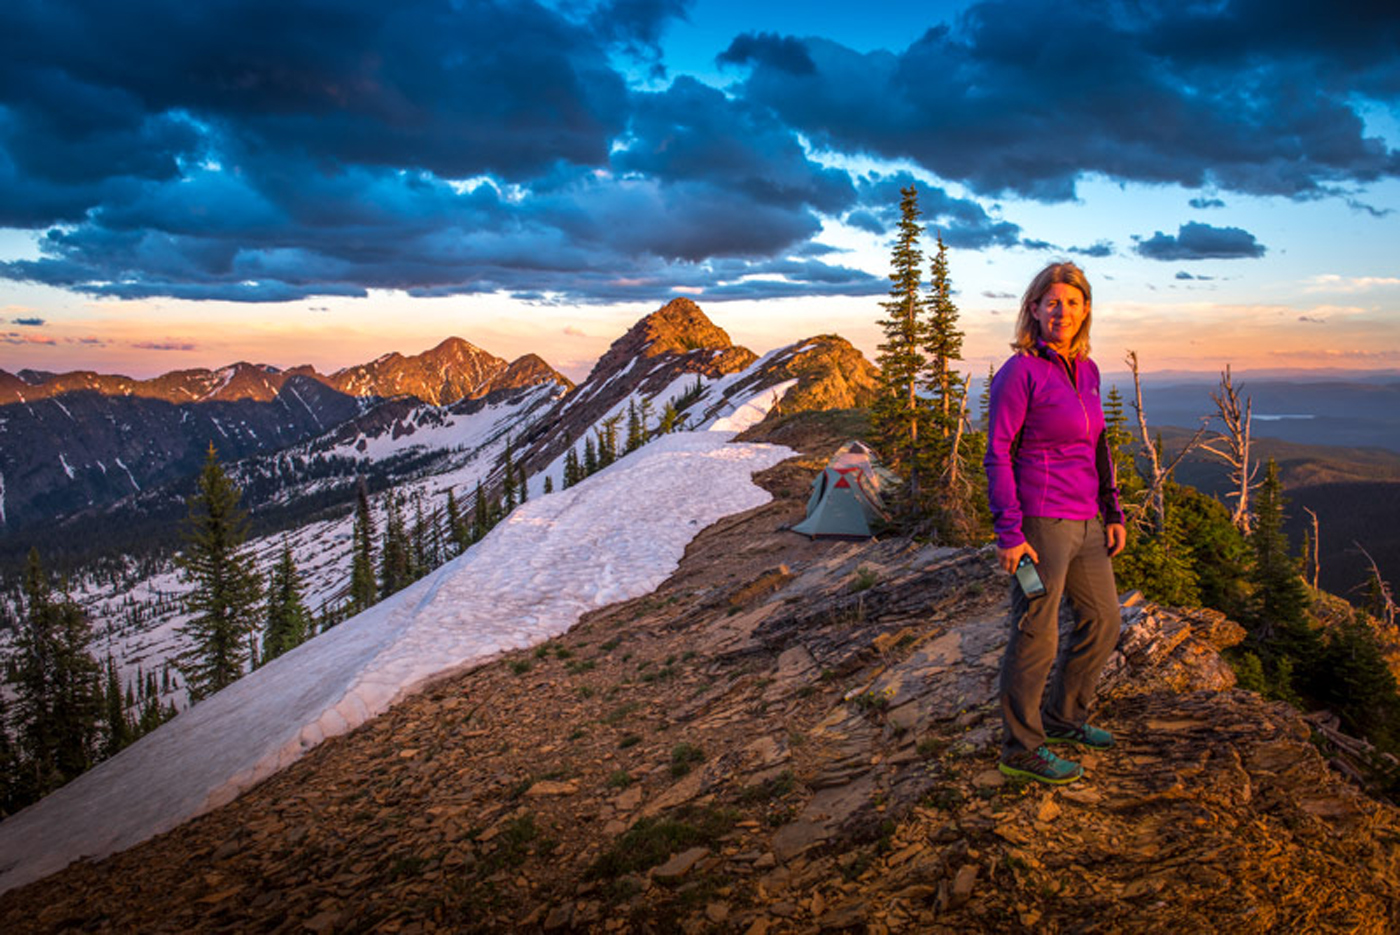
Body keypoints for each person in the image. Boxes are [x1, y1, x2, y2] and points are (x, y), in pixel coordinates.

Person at [983, 261, 1126, 785]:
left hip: (1088, 522)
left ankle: (1064, 719)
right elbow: (997, 452)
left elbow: (1099, 446)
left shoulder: (1086, 370)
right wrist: (1009, 533)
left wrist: (1113, 511)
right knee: (1036, 632)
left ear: (1085, 309)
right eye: (1051, 302)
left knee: (1104, 620)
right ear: (1035, 310)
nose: (1061, 311)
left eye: (1072, 301)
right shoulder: (1020, 372)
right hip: (1041, 525)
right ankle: (1021, 748)